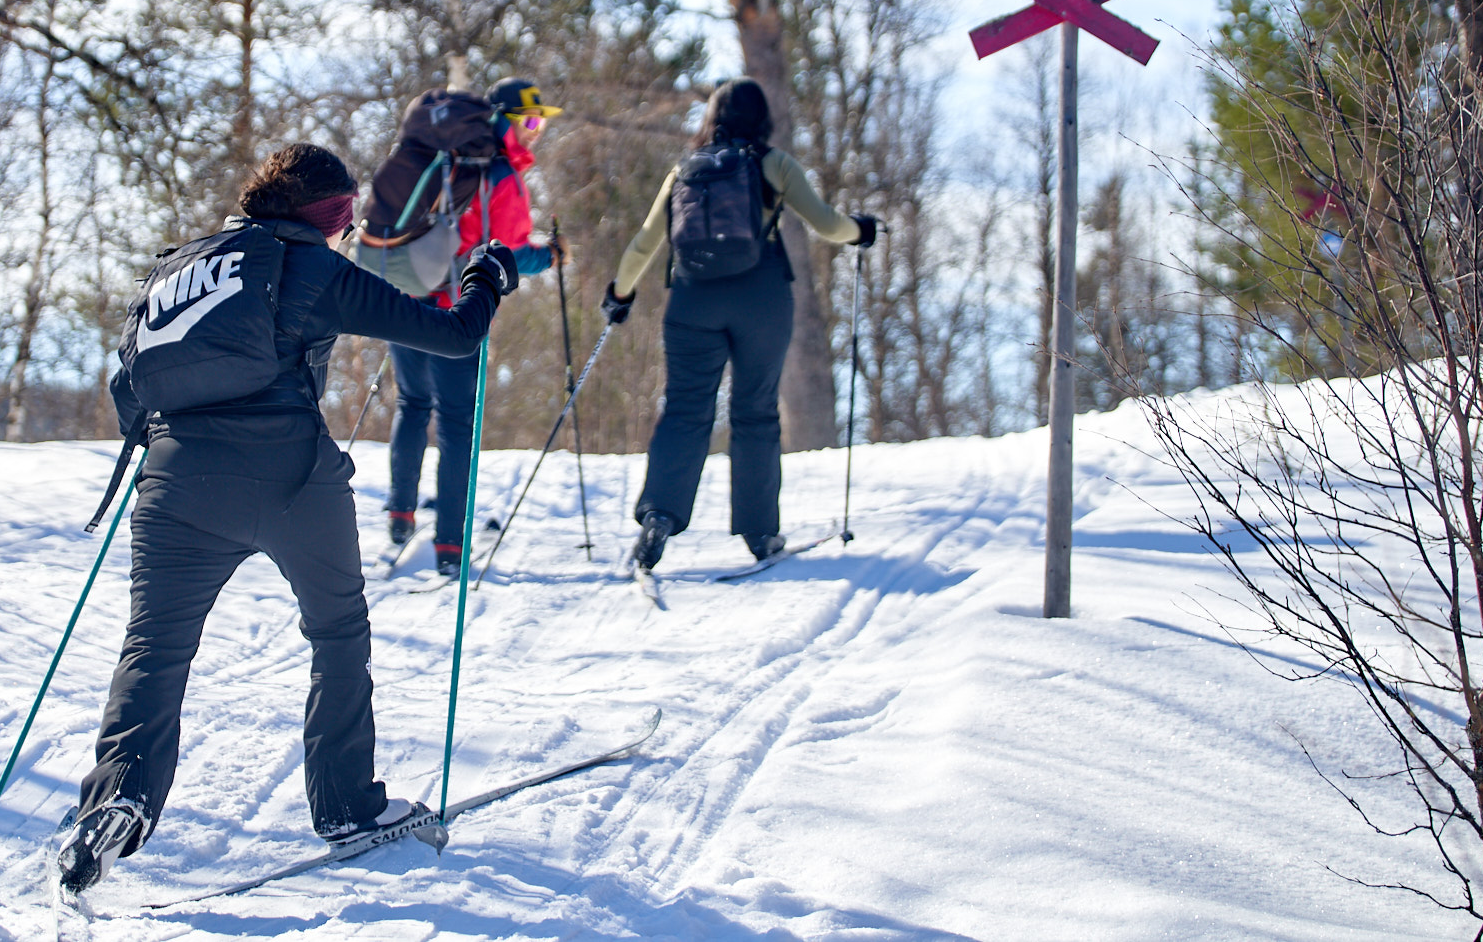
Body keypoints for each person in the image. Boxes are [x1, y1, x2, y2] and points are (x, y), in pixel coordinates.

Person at [58, 143, 521, 893]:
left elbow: (128, 392)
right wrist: (484, 279)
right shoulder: (311, 265)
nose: (347, 234)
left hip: (176, 482)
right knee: (337, 632)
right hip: (291, 477)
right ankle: (346, 807)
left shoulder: (178, 270)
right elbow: (454, 335)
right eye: (346, 220)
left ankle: (116, 801)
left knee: (155, 645)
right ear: (329, 215)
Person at [600, 78, 877, 571]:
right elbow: (827, 225)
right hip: (761, 298)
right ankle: (760, 532)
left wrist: (620, 293)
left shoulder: (685, 170)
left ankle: (659, 514)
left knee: (684, 408)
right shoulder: (774, 163)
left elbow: (645, 242)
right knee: (755, 411)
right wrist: (862, 229)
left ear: (712, 117)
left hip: (691, 300)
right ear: (761, 116)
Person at [386, 77, 560, 574]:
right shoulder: (502, 177)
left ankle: (400, 515)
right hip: (456, 309)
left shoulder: (436, 161)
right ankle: (450, 546)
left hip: (406, 296)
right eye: (530, 120)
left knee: (412, 404)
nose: (536, 130)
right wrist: (550, 255)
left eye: (541, 122)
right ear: (504, 121)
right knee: (457, 422)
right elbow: (508, 254)